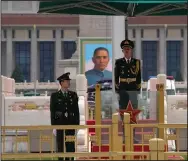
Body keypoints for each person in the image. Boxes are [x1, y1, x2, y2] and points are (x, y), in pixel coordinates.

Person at [114, 39, 141, 143]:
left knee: (133, 114)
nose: (127, 51)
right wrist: (118, 90)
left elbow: (138, 77)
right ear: (122, 51)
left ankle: (133, 136)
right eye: (125, 49)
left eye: (128, 49)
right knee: (124, 113)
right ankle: (126, 136)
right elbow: (116, 77)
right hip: (123, 90)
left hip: (133, 90)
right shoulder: (119, 62)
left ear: (131, 50)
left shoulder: (136, 62)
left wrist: (137, 89)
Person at [50, 72, 80, 160]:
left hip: (71, 123)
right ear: (61, 83)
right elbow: (53, 111)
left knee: (70, 145)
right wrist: (53, 126)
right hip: (60, 123)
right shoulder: (55, 96)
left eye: (68, 81)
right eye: (66, 81)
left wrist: (77, 125)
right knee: (60, 145)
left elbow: (76, 110)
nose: (68, 83)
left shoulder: (73, 95)